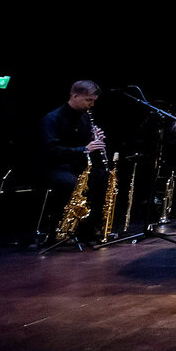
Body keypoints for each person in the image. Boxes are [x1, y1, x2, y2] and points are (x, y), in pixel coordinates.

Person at [38, 80, 110, 240]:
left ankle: (90, 227)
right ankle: (59, 228)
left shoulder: (84, 118)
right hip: (55, 167)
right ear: (74, 96)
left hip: (76, 166)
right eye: (88, 100)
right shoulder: (52, 119)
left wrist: (93, 139)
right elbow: (52, 151)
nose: (91, 104)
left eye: (93, 101)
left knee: (103, 177)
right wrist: (85, 149)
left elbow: (84, 144)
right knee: (70, 182)